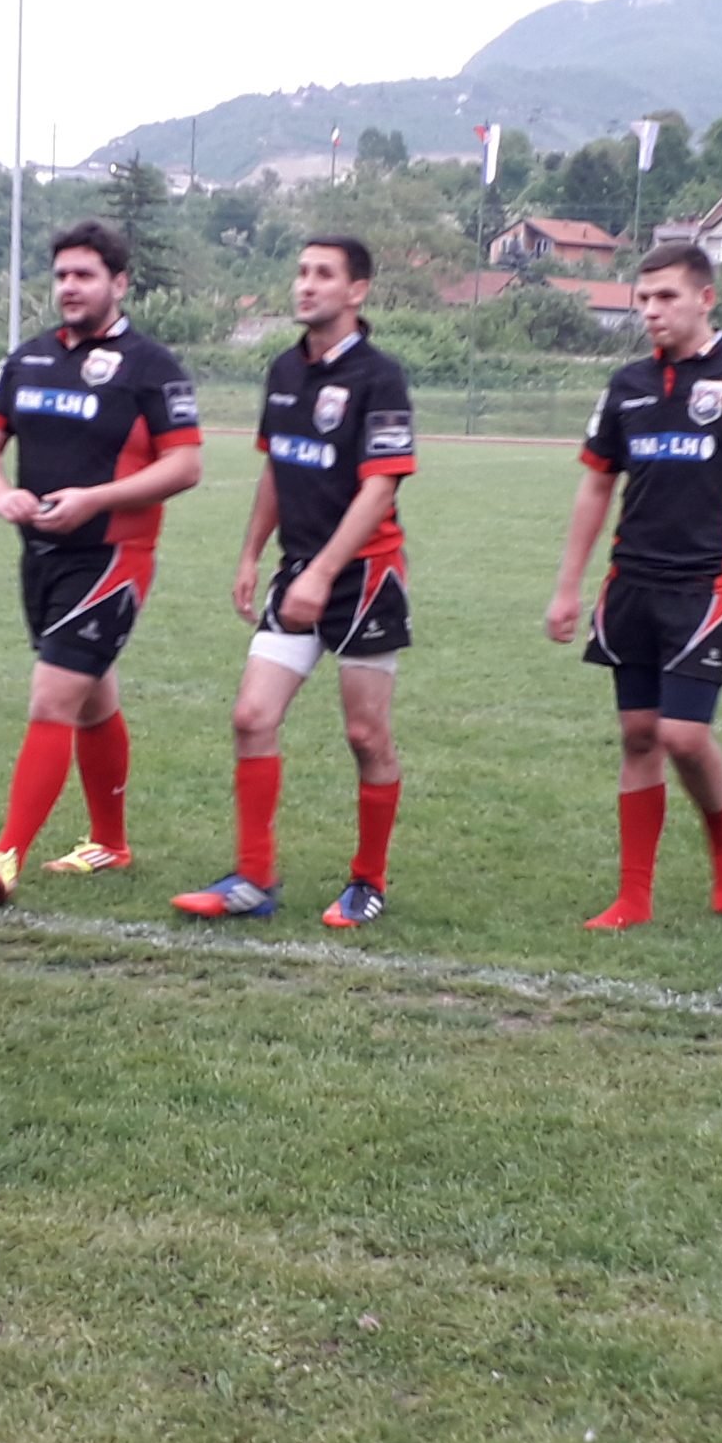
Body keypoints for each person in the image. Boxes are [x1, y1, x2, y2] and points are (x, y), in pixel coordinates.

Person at [545, 244, 722, 927]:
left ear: (705, 298)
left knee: (684, 736)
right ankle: (633, 897)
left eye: (665, 296)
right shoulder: (628, 383)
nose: (651, 310)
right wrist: (567, 586)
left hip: (708, 588)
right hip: (630, 585)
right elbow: (596, 485)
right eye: (643, 298)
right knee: (639, 735)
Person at [171, 236, 412, 927]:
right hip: (296, 572)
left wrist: (325, 573)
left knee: (366, 735)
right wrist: (252, 554)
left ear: (357, 290)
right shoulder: (282, 369)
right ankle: (254, 879)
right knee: (251, 717)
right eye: (302, 271)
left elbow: (380, 488)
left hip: (364, 577)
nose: (306, 284)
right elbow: (277, 467)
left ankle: (368, 882)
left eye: (323, 274)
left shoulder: (380, 378)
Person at [0, 221, 202, 902]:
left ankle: (6, 855)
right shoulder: (27, 359)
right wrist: (0, 492)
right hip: (41, 557)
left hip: (113, 558)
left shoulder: (151, 367)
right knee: (93, 700)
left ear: (118, 283)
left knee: (54, 696)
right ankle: (110, 844)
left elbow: (185, 464)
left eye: (85, 275)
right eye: (62, 274)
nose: (69, 286)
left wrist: (95, 500)